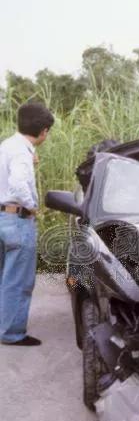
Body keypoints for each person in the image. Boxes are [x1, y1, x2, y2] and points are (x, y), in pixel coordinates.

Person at [0, 102, 54, 346]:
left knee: (4, 276)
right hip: (17, 219)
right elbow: (18, 185)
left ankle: (4, 324)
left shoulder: (8, 146)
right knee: (18, 280)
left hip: (2, 216)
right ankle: (11, 333)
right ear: (43, 131)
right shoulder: (22, 151)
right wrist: (32, 206)